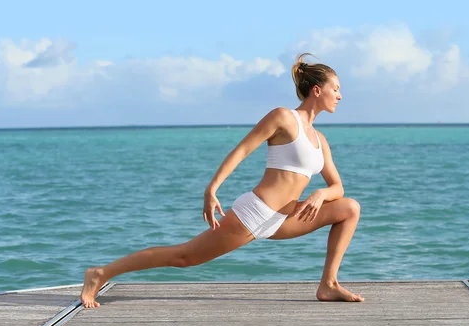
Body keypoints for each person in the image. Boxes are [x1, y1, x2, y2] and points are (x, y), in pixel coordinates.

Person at [80, 53, 364, 308]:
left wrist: (319, 195)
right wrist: (212, 188)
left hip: (285, 219)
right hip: (255, 213)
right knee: (184, 257)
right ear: (317, 90)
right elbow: (241, 151)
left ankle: (328, 284)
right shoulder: (283, 117)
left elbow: (337, 187)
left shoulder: (320, 141)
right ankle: (101, 273)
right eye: (335, 89)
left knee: (349, 208)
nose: (340, 95)